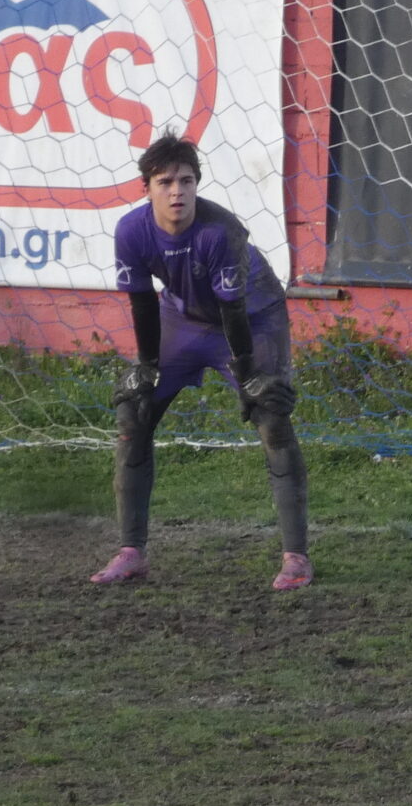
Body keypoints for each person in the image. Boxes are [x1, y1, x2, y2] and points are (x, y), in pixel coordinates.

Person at [90, 133, 312, 591]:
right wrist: (148, 365)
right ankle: (131, 551)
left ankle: (296, 559)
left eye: (186, 180)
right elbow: (143, 303)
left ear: (197, 184)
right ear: (146, 187)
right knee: (134, 410)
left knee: (271, 416)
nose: (177, 191)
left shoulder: (219, 230)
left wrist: (249, 377)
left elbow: (233, 310)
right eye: (165, 181)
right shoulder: (131, 231)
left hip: (253, 318)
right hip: (184, 319)